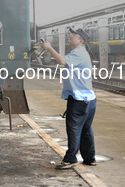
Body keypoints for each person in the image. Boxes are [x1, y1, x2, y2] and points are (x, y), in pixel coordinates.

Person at [40, 28, 97, 169]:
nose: (70, 36)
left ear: (80, 41)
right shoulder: (79, 52)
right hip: (89, 99)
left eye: (74, 35)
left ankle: (71, 158)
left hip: (80, 100)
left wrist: (48, 48)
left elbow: (61, 61)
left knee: (73, 129)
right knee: (85, 129)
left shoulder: (79, 53)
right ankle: (89, 158)